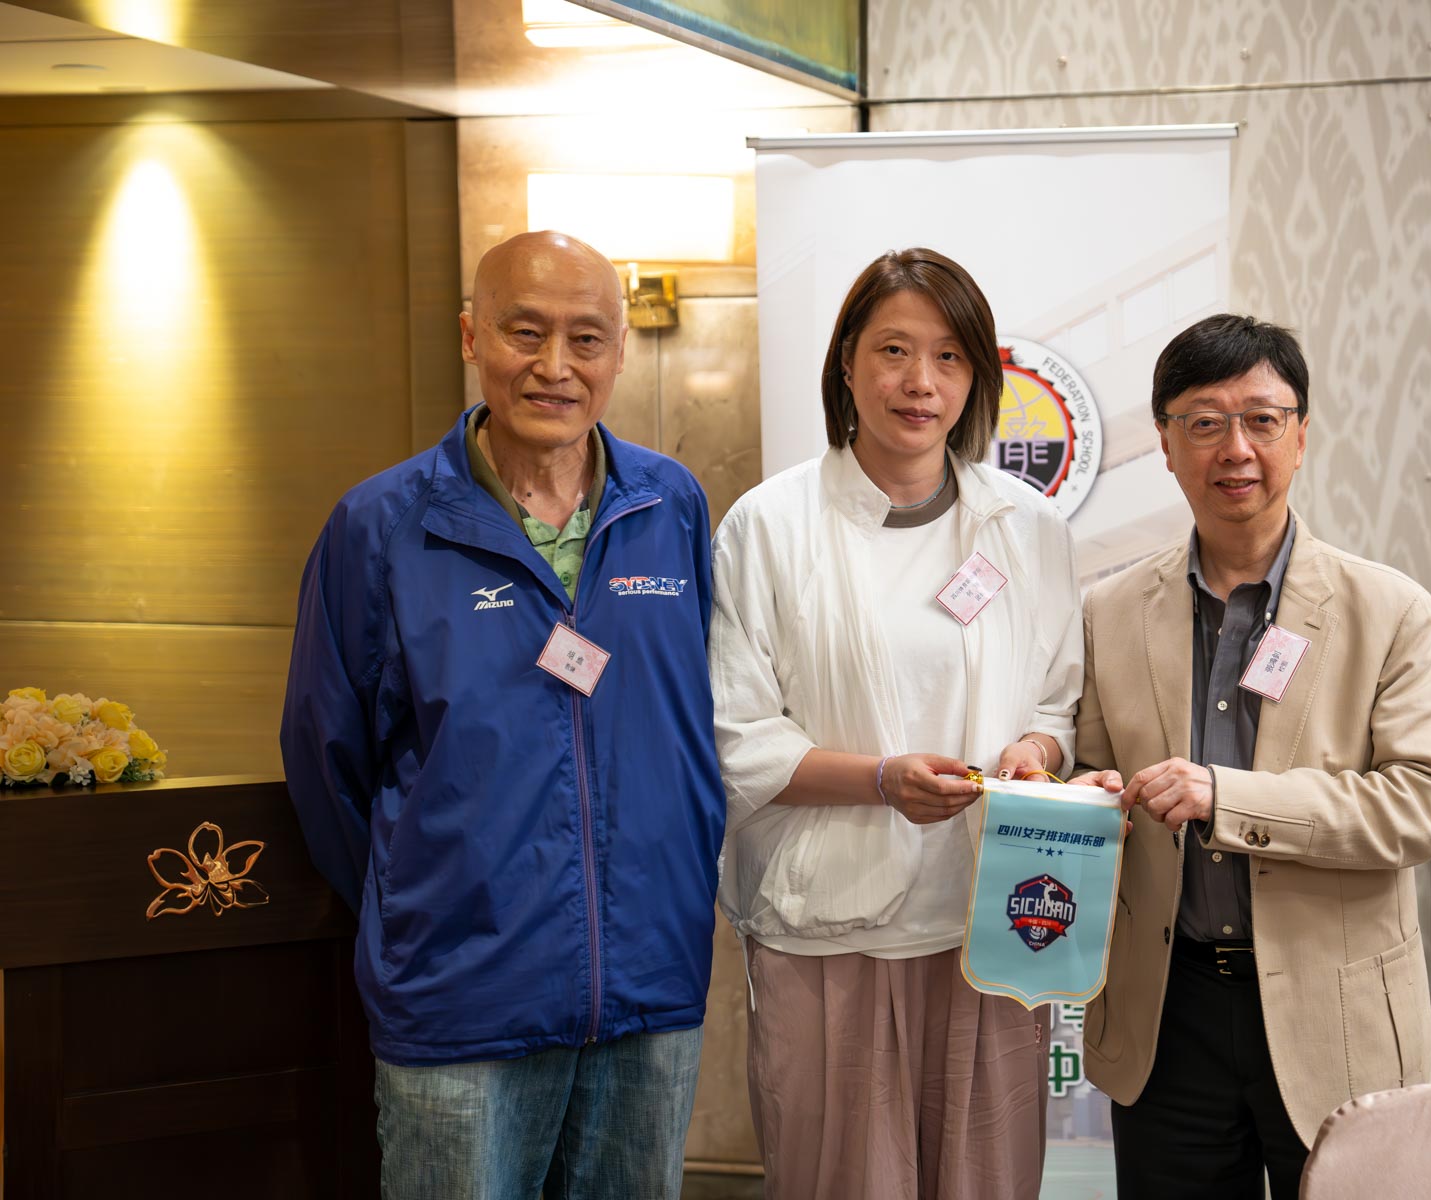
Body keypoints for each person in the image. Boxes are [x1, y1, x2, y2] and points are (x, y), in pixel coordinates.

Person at [280, 230, 724, 1200]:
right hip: (459, 1001)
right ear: (472, 337)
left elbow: (697, 723)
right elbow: (326, 763)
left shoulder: (672, 506)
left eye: (587, 339)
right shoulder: (382, 526)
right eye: (527, 332)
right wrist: (430, 899)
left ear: (619, 353)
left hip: (649, 987)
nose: (556, 366)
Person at [709, 247, 1082, 1200]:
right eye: (894, 351)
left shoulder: (1028, 527)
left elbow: (1056, 701)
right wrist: (880, 781)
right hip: (828, 926)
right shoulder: (768, 525)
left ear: (977, 377)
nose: (921, 382)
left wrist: (1034, 752)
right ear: (846, 362)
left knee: (986, 1181)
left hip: (991, 922)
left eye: (950, 356)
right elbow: (736, 734)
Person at [1070, 314, 1431, 1199]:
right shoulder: (1109, 610)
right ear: (1165, 444)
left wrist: (1227, 797)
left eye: (1262, 419)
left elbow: (1429, 804)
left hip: (1338, 1015)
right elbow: (1091, 775)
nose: (1236, 449)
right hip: (1165, 1015)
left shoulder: (1391, 611)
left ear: (1301, 436)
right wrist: (1079, 792)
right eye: (1204, 422)